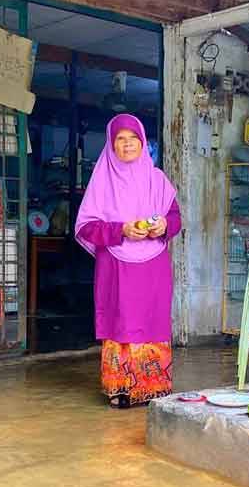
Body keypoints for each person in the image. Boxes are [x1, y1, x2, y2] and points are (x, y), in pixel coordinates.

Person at [75, 114, 182, 408]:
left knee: (152, 321)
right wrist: (120, 229)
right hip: (117, 266)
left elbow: (175, 218)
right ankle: (120, 388)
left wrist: (164, 226)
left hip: (154, 265)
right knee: (121, 322)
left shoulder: (157, 179)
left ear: (143, 142)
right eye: (120, 139)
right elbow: (85, 227)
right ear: (111, 144)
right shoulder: (101, 183)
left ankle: (154, 387)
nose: (127, 144)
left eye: (133, 138)